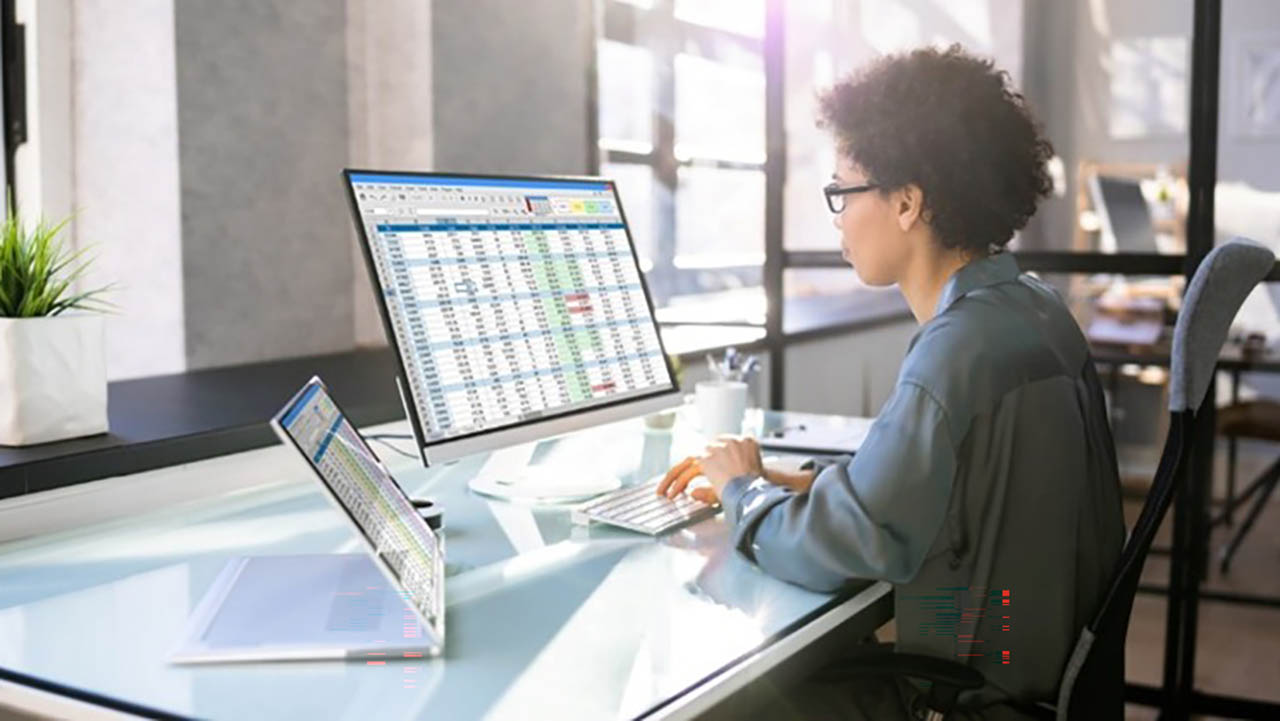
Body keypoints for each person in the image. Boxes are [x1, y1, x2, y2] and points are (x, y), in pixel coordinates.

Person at [657, 45, 1125, 720]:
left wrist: (741, 490)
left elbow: (842, 548)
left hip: (967, 698)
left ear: (907, 202)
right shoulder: (1035, 310)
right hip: (1031, 663)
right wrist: (800, 480)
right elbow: (933, 492)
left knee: (721, 695)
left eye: (843, 192)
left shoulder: (956, 349)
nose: (839, 217)